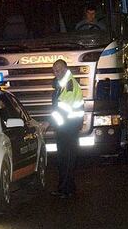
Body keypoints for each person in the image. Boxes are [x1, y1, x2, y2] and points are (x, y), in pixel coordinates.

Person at [49, 59, 84, 199]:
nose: (55, 73)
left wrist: (48, 123)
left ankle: (65, 190)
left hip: (69, 128)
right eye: (54, 71)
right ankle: (69, 188)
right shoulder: (63, 85)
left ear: (64, 69)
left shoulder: (69, 86)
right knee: (65, 159)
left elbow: (63, 111)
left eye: (57, 70)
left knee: (66, 160)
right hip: (66, 127)